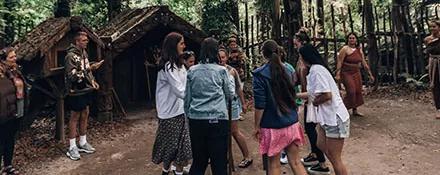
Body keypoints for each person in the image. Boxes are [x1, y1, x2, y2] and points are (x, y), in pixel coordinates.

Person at [253, 40, 307, 175]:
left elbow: (260, 105)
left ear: (263, 54)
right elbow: (293, 94)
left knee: (274, 165)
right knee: (295, 162)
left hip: (272, 127)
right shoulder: (288, 70)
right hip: (292, 123)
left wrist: (256, 126)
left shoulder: (260, 74)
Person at [297, 42, 350, 175]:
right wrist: (294, 95)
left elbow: (327, 95)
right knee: (321, 145)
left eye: (300, 57)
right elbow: (313, 93)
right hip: (327, 117)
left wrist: (315, 103)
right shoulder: (316, 69)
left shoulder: (317, 70)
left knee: (335, 157)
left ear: (305, 57)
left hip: (334, 117)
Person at [184, 37, 234, 175]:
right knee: (219, 163)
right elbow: (230, 94)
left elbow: (187, 98)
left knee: (199, 161)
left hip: (196, 119)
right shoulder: (221, 71)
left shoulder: (192, 71)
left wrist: (189, 115)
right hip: (217, 119)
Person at [152, 32, 192, 175]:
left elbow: (187, 85)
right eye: (181, 43)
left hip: (180, 110)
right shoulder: (169, 67)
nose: (184, 46)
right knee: (171, 147)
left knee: (182, 147)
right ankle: (167, 170)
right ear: (173, 46)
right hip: (169, 113)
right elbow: (179, 90)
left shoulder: (180, 65)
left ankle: (175, 171)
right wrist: (196, 98)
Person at [294, 31, 330, 174]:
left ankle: (322, 163)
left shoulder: (312, 65)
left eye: (296, 39)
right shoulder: (304, 56)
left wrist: (313, 101)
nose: (294, 42)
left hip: (312, 99)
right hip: (309, 97)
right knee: (310, 129)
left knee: (311, 129)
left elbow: (323, 92)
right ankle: (315, 155)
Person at [64, 31, 103, 161]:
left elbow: (87, 71)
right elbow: (72, 76)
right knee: (75, 116)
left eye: (86, 40)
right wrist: (90, 69)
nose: (86, 42)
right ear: (77, 42)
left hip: (86, 89)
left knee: (85, 112)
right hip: (75, 90)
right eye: (84, 40)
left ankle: (83, 141)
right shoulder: (70, 56)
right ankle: (72, 146)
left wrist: (92, 81)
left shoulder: (84, 54)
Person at [218, 48, 252, 168]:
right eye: (219, 57)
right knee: (220, 132)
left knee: (234, 131)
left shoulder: (232, 71)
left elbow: (238, 88)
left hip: (232, 104)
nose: (221, 60)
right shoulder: (214, 70)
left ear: (226, 58)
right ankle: (223, 158)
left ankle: (247, 156)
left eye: (223, 57)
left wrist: (243, 103)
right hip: (219, 106)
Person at [0, 47, 26, 175]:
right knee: (1, 139)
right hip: (3, 112)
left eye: (15, 56)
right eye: (11, 57)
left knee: (10, 138)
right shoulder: (1, 74)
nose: (15, 59)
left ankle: (8, 165)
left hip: (15, 109)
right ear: (3, 60)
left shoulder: (15, 71)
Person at [336, 32, 375, 117]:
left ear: (356, 39)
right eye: (350, 38)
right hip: (346, 72)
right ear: (347, 40)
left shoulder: (359, 50)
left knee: (357, 91)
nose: (351, 39)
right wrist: (338, 73)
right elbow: (340, 62)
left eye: (353, 38)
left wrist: (370, 74)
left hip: (356, 72)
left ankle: (355, 110)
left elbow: (364, 63)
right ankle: (341, 110)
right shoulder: (345, 49)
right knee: (351, 91)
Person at [424, 20, 440, 119]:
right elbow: (428, 52)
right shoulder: (427, 39)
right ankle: (438, 109)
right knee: (435, 85)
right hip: (433, 63)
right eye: (431, 27)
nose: (432, 28)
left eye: (434, 26)